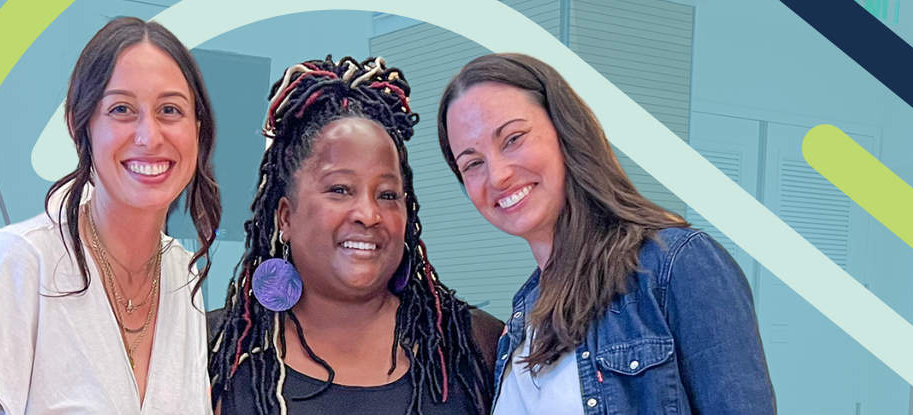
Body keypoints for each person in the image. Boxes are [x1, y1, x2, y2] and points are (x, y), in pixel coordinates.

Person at [0, 17, 221, 415]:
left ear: (197, 130)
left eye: (170, 110)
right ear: (80, 126)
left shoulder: (181, 276)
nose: (149, 136)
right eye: (121, 109)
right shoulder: (19, 261)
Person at [436, 53, 775, 414]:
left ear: (564, 130)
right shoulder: (521, 321)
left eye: (513, 138)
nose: (497, 175)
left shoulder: (676, 265)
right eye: (473, 163)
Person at [206, 56, 502, 415]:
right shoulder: (216, 350)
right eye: (340, 189)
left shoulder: (476, 347)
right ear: (285, 216)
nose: (368, 214)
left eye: (388, 195)